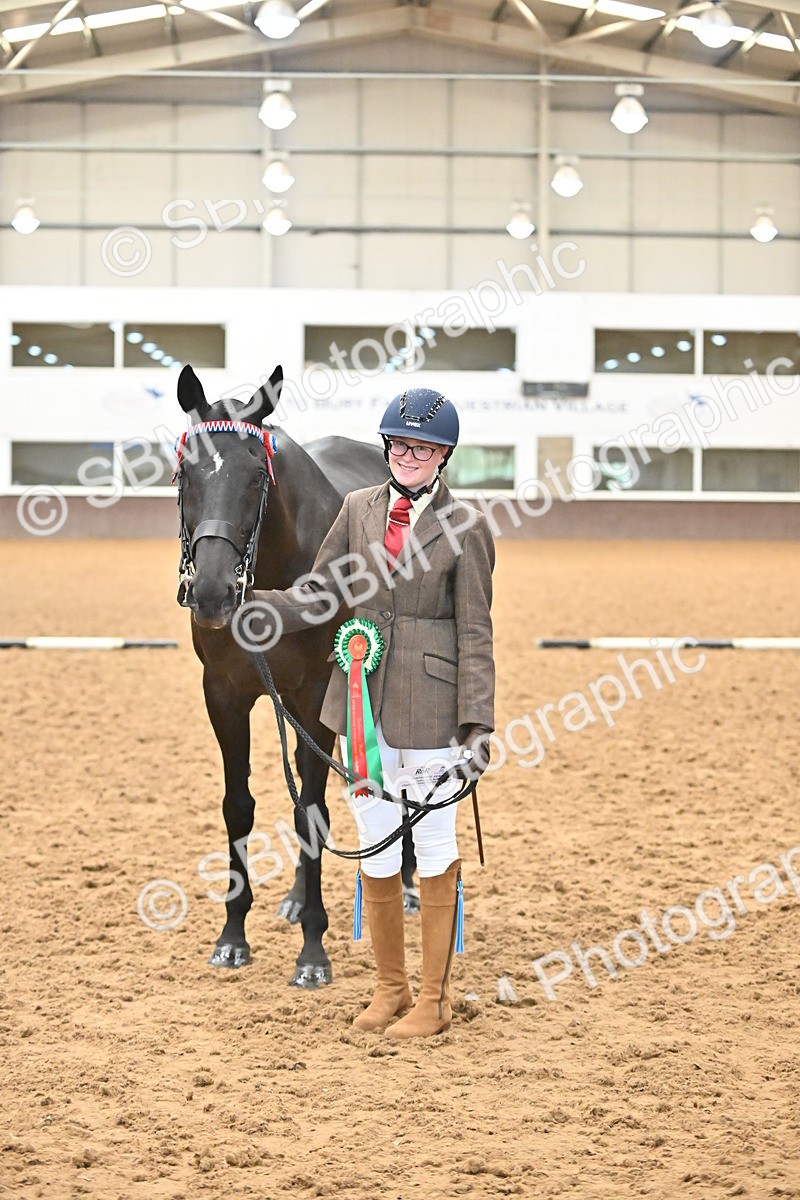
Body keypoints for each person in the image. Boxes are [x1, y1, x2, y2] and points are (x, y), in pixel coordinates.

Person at [252, 387, 495, 1039]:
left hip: (435, 706)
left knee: (435, 842)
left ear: (443, 454)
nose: (406, 456)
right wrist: (268, 607)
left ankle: (436, 1000)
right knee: (377, 845)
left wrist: (477, 723)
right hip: (360, 699)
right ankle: (391, 990)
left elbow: (475, 631)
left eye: (420, 447)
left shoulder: (468, 525)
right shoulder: (357, 508)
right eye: (397, 444)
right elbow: (321, 587)